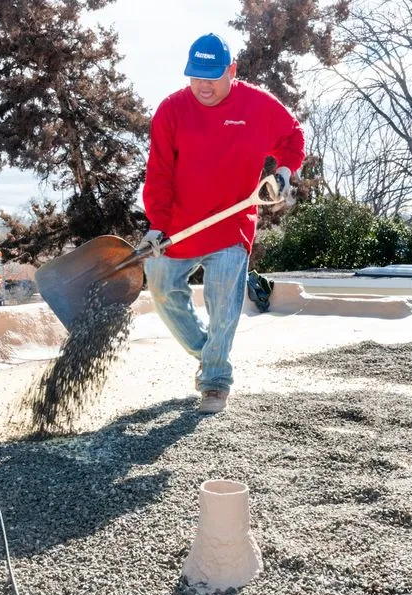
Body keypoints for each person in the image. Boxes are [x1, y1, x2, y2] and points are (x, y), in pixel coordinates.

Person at [139, 33, 305, 414]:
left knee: (223, 304)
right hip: (177, 226)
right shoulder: (171, 110)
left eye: (212, 76)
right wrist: (156, 226)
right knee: (162, 288)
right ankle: (209, 351)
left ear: (232, 71)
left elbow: (292, 136)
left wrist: (282, 171)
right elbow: (159, 173)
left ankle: (215, 381)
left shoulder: (258, 106)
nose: (203, 85)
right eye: (195, 76)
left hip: (231, 224)